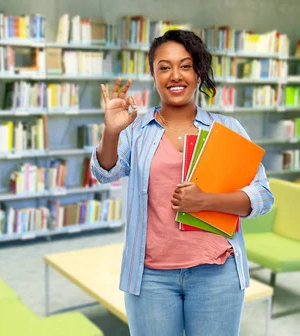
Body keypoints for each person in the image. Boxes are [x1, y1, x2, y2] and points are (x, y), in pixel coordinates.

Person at [90, 29, 274, 336]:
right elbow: (104, 172)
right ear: (153, 73)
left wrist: (206, 201)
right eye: (164, 67)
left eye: (185, 65)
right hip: (150, 277)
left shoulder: (227, 128)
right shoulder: (137, 130)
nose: (175, 75)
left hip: (217, 272)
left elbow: (262, 196)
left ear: (198, 71)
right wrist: (111, 132)